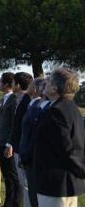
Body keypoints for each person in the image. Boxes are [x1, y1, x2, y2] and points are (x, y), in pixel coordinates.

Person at [34, 68, 85, 207]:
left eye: (49, 81)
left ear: (54, 89)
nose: (45, 83)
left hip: (56, 184)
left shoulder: (56, 111)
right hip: (64, 182)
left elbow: (66, 149)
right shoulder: (70, 107)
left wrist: (81, 170)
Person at [0, 72, 23, 207]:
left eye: (0, 81)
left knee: (13, 177)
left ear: (6, 84)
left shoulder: (14, 99)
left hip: (8, 144)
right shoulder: (4, 99)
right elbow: (1, 123)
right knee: (7, 176)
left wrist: (9, 144)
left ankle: (15, 203)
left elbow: (14, 124)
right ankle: (8, 202)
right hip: (1, 142)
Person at [19, 78, 47, 207]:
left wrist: (26, 155)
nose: (28, 87)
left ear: (36, 89)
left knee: (34, 194)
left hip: (31, 157)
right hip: (26, 154)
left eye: (31, 85)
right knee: (29, 190)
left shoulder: (38, 107)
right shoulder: (32, 104)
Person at [10, 72, 34, 207]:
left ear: (18, 85)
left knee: (25, 184)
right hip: (18, 146)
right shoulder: (20, 100)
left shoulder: (27, 102)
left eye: (13, 82)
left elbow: (24, 128)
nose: (12, 85)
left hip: (22, 148)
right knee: (22, 182)